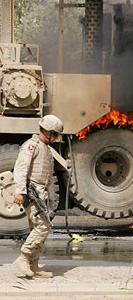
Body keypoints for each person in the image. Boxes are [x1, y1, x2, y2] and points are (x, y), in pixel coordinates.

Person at [13, 114, 64, 278]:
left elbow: (47, 176)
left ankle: (33, 265)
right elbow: (21, 169)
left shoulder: (46, 148)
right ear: (47, 131)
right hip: (33, 192)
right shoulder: (31, 146)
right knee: (43, 227)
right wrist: (20, 191)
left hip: (41, 194)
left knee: (37, 228)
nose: (56, 138)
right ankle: (24, 257)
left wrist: (49, 199)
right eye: (55, 134)